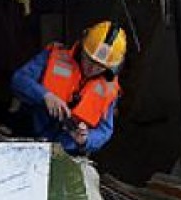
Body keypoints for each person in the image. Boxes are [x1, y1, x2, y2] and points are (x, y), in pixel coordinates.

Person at [11, 21, 126, 155]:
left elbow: (105, 131)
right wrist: (45, 95)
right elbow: (19, 79)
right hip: (27, 134)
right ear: (82, 47)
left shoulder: (110, 89)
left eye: (100, 66)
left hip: (64, 152)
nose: (92, 68)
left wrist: (85, 139)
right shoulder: (55, 56)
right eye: (89, 59)